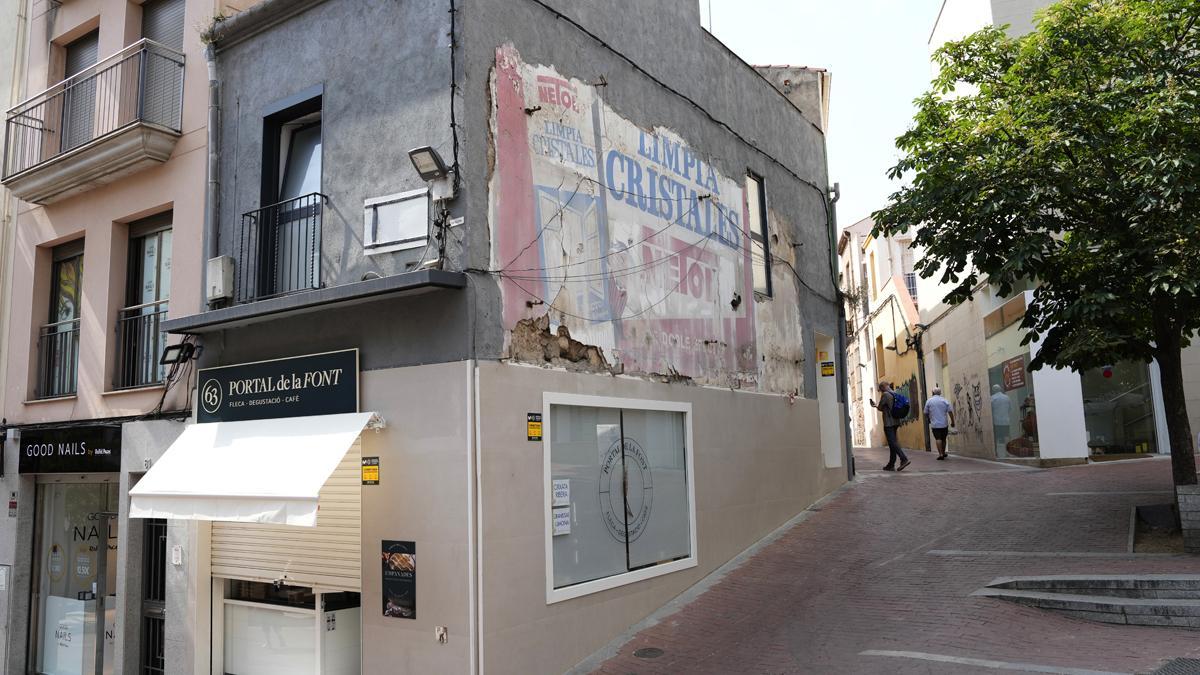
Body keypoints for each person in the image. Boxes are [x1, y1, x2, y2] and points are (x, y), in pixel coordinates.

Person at [870, 381, 910, 472]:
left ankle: (903, 459)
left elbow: (880, 407)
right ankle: (891, 464)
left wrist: (875, 406)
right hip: (896, 421)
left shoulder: (885, 395)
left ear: (882, 388)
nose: (880, 391)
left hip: (888, 422)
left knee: (892, 442)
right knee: (893, 443)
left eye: (880, 389)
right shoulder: (894, 393)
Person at [924, 386, 956, 460]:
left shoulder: (929, 401)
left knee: (938, 438)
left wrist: (929, 418)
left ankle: (940, 454)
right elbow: (950, 412)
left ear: (932, 393)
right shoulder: (944, 400)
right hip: (944, 423)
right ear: (940, 393)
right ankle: (944, 452)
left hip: (935, 424)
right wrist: (952, 421)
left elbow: (925, 412)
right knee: (944, 438)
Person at [991, 384, 1012, 454]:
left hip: (996, 422)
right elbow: (1010, 409)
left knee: (998, 438)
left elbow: (991, 410)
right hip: (1006, 421)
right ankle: (1008, 452)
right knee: (1006, 436)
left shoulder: (992, 398)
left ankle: (1000, 452)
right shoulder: (1007, 397)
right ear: (1000, 389)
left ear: (994, 390)